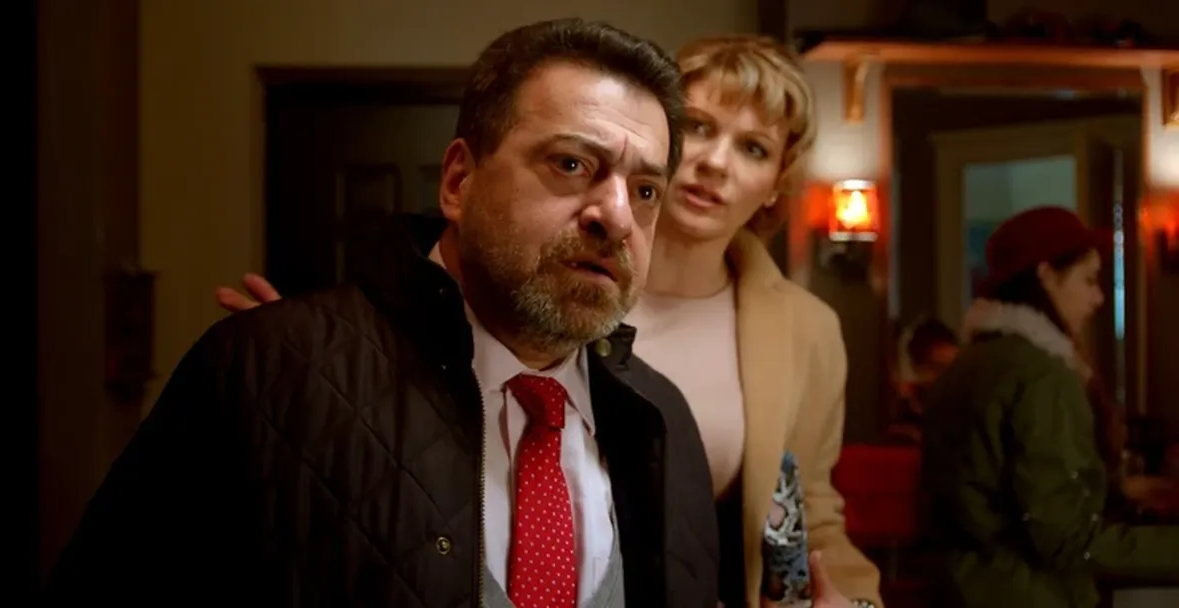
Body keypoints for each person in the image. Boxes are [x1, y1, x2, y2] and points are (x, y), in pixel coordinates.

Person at [44, 18, 721, 607]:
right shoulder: (263, 372)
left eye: (645, 190)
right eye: (571, 164)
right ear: (458, 181)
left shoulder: (664, 422)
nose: (617, 216)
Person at [218, 34, 881, 608]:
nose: (714, 162)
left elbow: (808, 509)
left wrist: (851, 598)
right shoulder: (534, 285)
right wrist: (324, 381)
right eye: (701, 128)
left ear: (776, 184)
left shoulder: (802, 331)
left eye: (754, 148)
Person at [920, 206, 1179, 608]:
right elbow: (1065, 538)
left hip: (961, 591)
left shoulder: (968, 363)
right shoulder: (1041, 377)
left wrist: (1119, 491)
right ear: (1046, 275)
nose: (1098, 298)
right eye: (1088, 280)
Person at [886, 317, 959, 443]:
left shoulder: (963, 415)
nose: (949, 377)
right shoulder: (902, 424)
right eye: (938, 368)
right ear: (916, 369)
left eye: (953, 369)